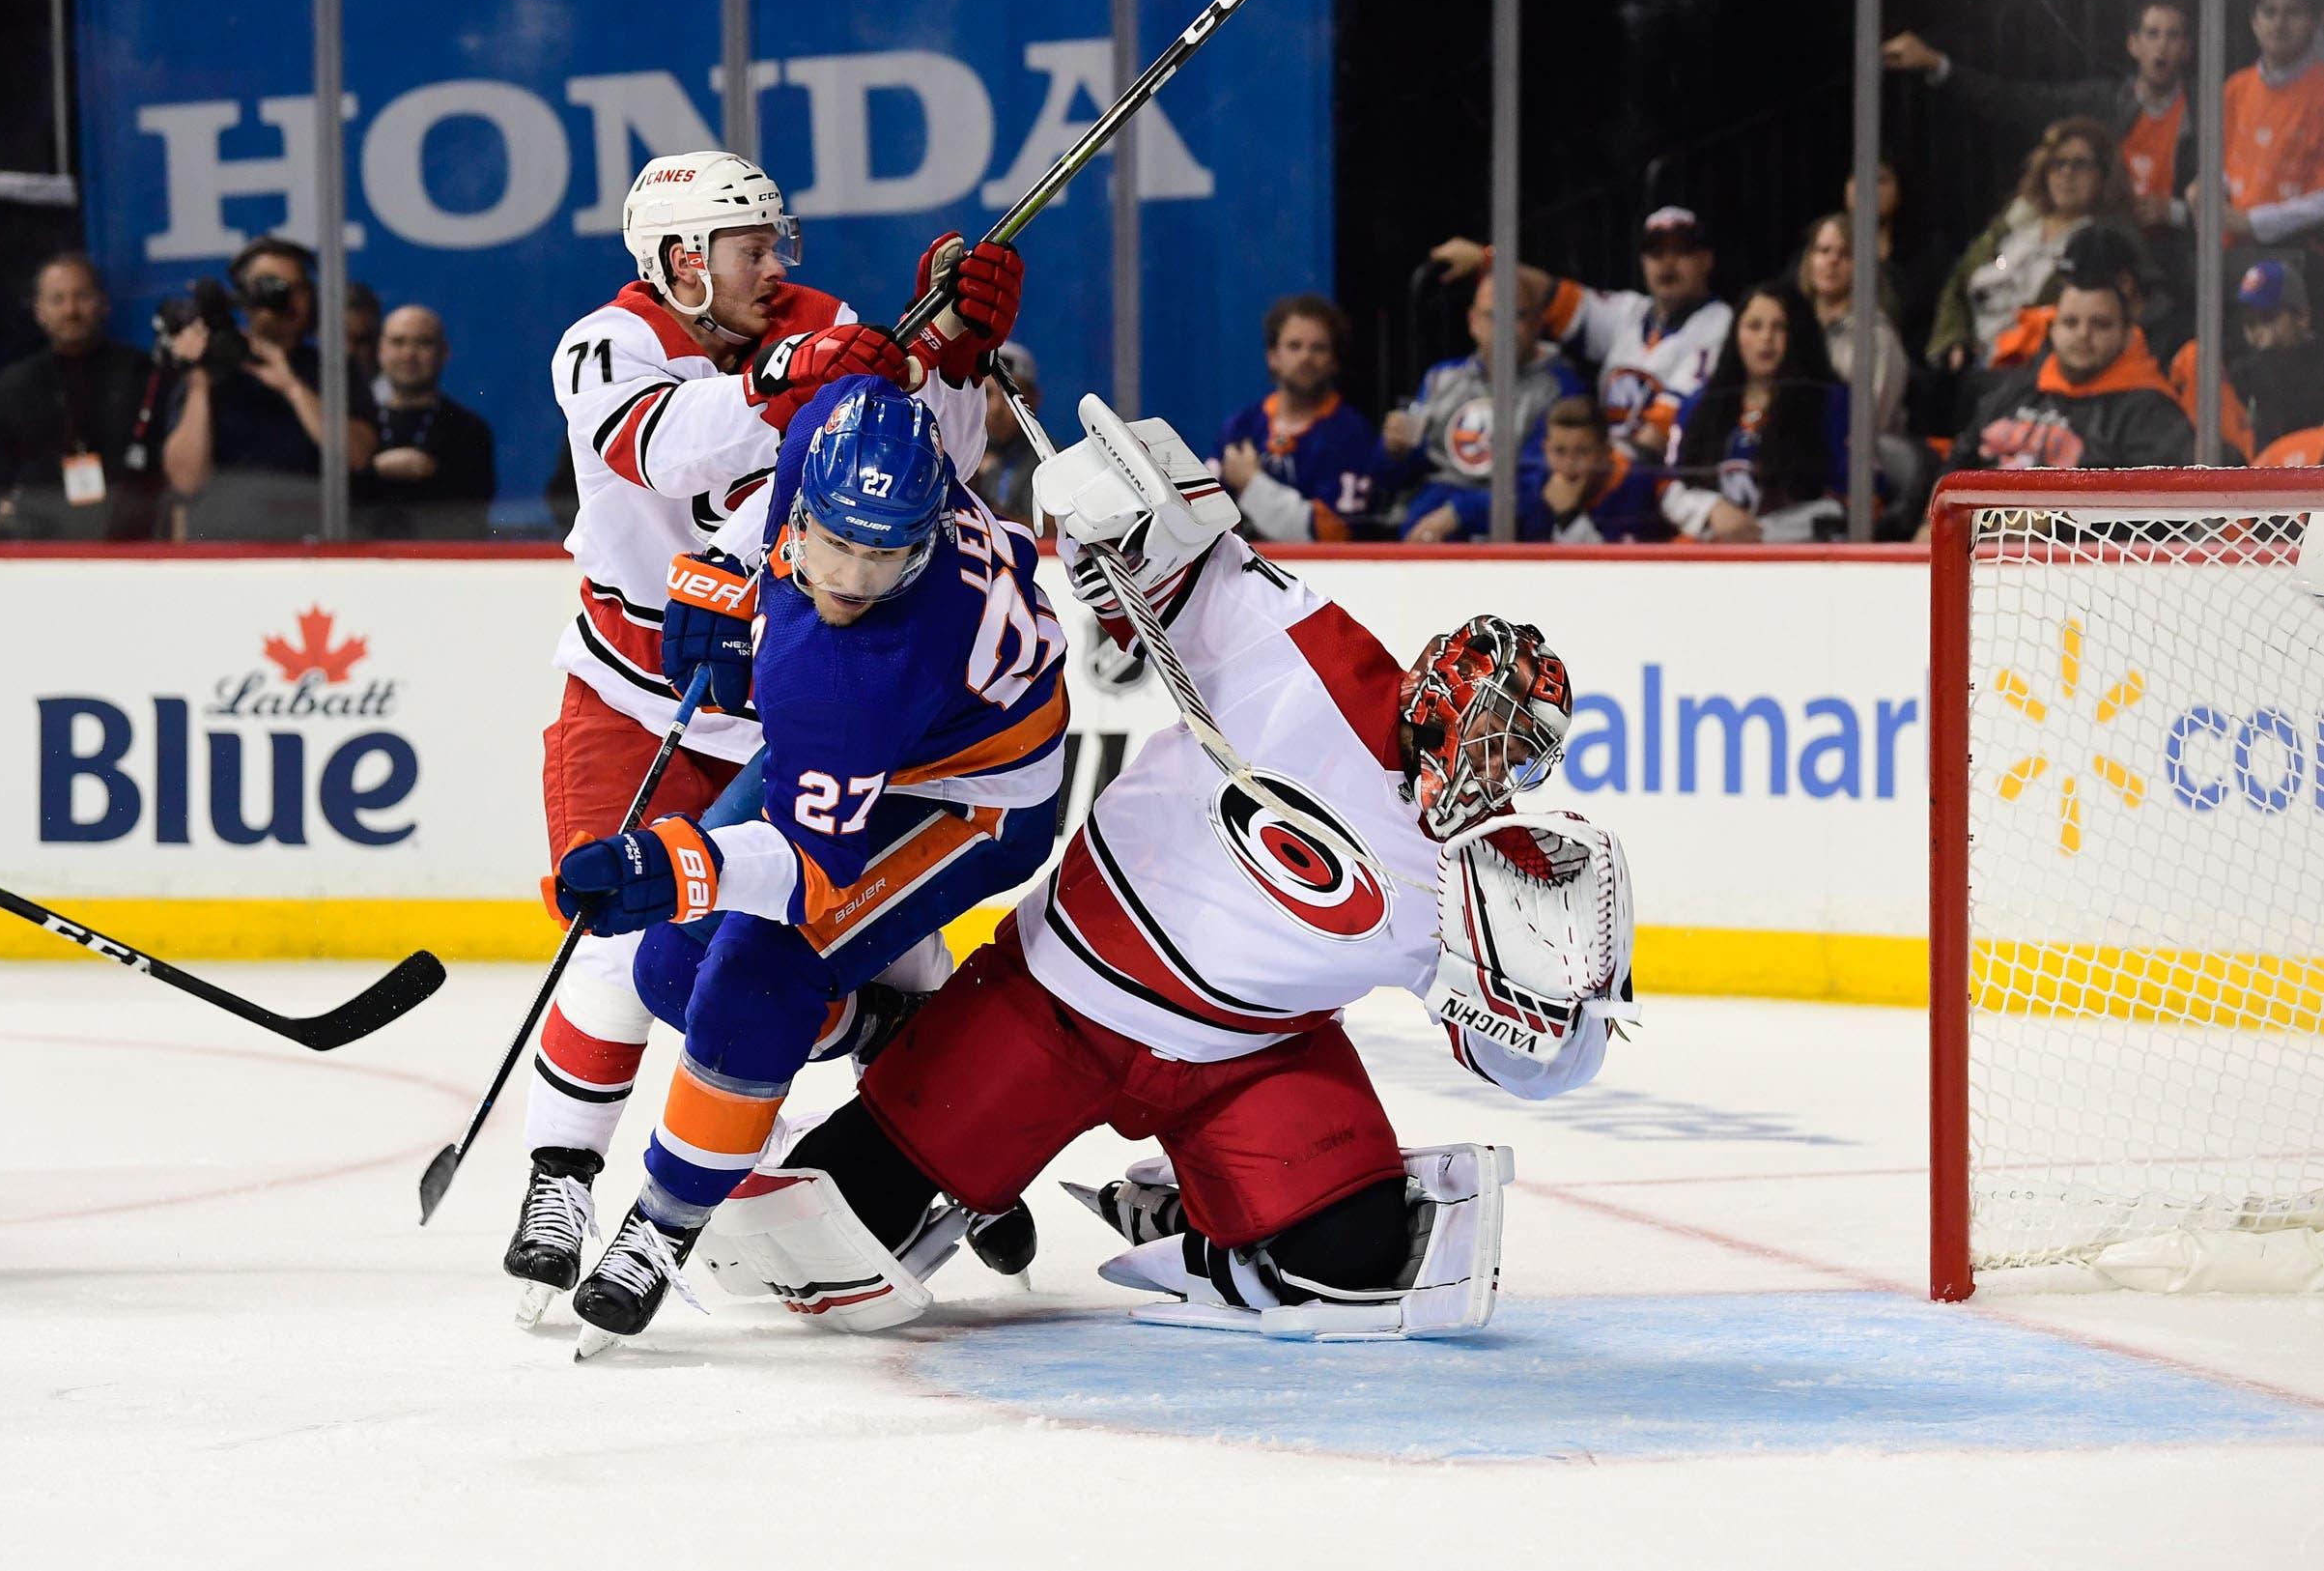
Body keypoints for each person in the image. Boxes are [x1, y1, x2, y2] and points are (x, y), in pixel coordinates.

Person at [703, 398, 1633, 1340]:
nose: (1489, 775)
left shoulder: (1496, 865)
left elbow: (1527, 1061)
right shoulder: (1315, 653)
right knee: (833, 1223)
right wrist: (1120, 514)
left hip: (1254, 1055)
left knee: (1359, 1261)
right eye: (1486, 741)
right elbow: (1178, 566)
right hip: (1058, 999)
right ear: (1432, 696)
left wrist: (1557, 1027)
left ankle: (1200, 1215)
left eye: (1515, 758)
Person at [501, 148, 1022, 1325]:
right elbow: (653, 448)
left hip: (783, 708)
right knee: (612, 938)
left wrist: (948, 360)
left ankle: (921, 1135)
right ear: (684, 262)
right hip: (634, 698)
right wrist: (777, 382)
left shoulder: (819, 322)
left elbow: (928, 467)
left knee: (875, 951)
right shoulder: (606, 341)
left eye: (779, 244)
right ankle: (562, 1181)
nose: (778, 265)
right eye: (753, 248)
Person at [546, 375, 1068, 1345]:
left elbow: (807, 868)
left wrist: (673, 864)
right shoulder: (836, 436)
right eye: (832, 544)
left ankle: (663, 1223)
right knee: (668, 970)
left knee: (754, 981)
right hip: (894, 744)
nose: (848, 583)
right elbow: (858, 388)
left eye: (883, 559)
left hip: (975, 798)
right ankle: (894, 1028)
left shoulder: (855, 670)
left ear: (922, 541)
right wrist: (725, 563)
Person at [1434, 208, 1733, 465]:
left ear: (1706, 260)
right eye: (1656, 252)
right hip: (1603, 466)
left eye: (1681, 251)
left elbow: (1660, 431)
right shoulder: (1628, 312)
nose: (1667, 263)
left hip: (1659, 471)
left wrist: (1592, 476)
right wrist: (1486, 259)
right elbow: (1548, 293)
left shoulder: (1719, 324)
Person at [1884, 1, 2197, 230]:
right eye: (2153, 34)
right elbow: (2013, 100)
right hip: (2102, 246)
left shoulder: (2205, 111)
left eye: (2173, 36)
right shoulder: (2102, 101)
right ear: (2134, 44)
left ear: (2187, 49)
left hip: (2174, 263)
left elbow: (2239, 195)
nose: (2162, 47)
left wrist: (2174, 212)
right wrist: (1938, 65)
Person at [159, 236, 380, 539]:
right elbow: (186, 481)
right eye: (271, 287)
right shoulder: (211, 371)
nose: (286, 299)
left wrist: (292, 387)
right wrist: (199, 384)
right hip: (228, 547)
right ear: (245, 298)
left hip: (318, 545)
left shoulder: (335, 369)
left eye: (298, 288)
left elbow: (357, 455)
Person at [0, 253, 164, 541]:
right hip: (42, 538)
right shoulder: (16, 384)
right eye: (57, 300)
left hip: (130, 533)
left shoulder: (141, 372)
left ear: (103, 303)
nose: (71, 310)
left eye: (81, 296)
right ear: (39, 311)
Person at [1381, 266, 1585, 542]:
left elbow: (1539, 487)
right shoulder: (1442, 378)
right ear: (1472, 321)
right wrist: (1393, 451)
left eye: (1517, 316)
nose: (1504, 329)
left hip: (1511, 542)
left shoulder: (1560, 388)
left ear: (1538, 322)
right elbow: (1397, 477)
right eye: (1493, 316)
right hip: (1427, 534)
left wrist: (1459, 513)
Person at [1929, 118, 2147, 375]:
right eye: (2058, 163)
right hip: (1970, 361)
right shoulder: (2014, 221)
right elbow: (1958, 284)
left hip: (2034, 369)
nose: (2066, 173)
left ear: (2103, 175)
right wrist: (1954, 340)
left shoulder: (2107, 242)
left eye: (2080, 164)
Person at [1945, 265, 2195, 474]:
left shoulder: (2149, 412)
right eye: (2070, 322)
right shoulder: (2018, 389)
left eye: (2100, 324)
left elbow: (2158, 515)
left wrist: (2051, 521)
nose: (2083, 334)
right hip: (1979, 528)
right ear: (2052, 329)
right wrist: (1931, 520)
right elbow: (1959, 462)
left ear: (2127, 335)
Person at [1662, 281, 1852, 544]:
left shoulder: (1831, 404)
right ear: (1736, 334)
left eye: (1780, 327)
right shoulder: (1702, 403)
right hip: (1709, 554)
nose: (1766, 338)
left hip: (1800, 560)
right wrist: (1711, 510)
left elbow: (1853, 501)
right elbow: (1669, 486)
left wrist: (1763, 534)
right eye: (1754, 326)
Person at [1214, 294, 1383, 541]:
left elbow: (1330, 535)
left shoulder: (1350, 435)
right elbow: (1204, 519)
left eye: (1318, 348)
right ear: (1272, 356)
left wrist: (1251, 483)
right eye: (1294, 346)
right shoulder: (1240, 427)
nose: (1305, 357)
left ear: (1334, 361)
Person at [2188, 0, 2324, 248]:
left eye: (2292, 12)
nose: (2279, 23)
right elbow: (2226, 166)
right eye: (2269, 12)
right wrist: (2205, 188)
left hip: (2302, 254)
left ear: (2315, 22)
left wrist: (2253, 222)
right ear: (2254, 22)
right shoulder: (2235, 88)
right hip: (2231, 250)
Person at [354, 304, 496, 539]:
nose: (409, 353)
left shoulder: (469, 430)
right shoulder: (355, 426)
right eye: (398, 342)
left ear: (444, 352)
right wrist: (375, 470)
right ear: (380, 350)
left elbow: (470, 512)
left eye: (423, 343)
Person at [1794, 213, 1909, 431]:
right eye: (1823, 250)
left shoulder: (1877, 335)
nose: (1832, 260)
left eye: (1845, 253)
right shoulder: (1793, 328)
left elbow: (1875, 422)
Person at [1517, 395, 1665, 543]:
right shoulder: (1533, 486)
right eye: (1559, 451)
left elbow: (1613, 564)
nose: (1569, 463)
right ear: (1545, 449)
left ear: (1606, 452)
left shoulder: (1641, 486)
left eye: (1582, 452)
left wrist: (1569, 517)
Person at [2227, 259, 2324, 451]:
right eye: (2250, 322)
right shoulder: (2241, 374)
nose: (2257, 332)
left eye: (2268, 318)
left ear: (2302, 317)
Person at [972, 338, 1041, 529]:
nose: (995, 409)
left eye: (1009, 395)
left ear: (1032, 399)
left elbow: (1060, 533)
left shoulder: (1050, 461)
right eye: (986, 393)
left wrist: (975, 515)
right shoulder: (955, 456)